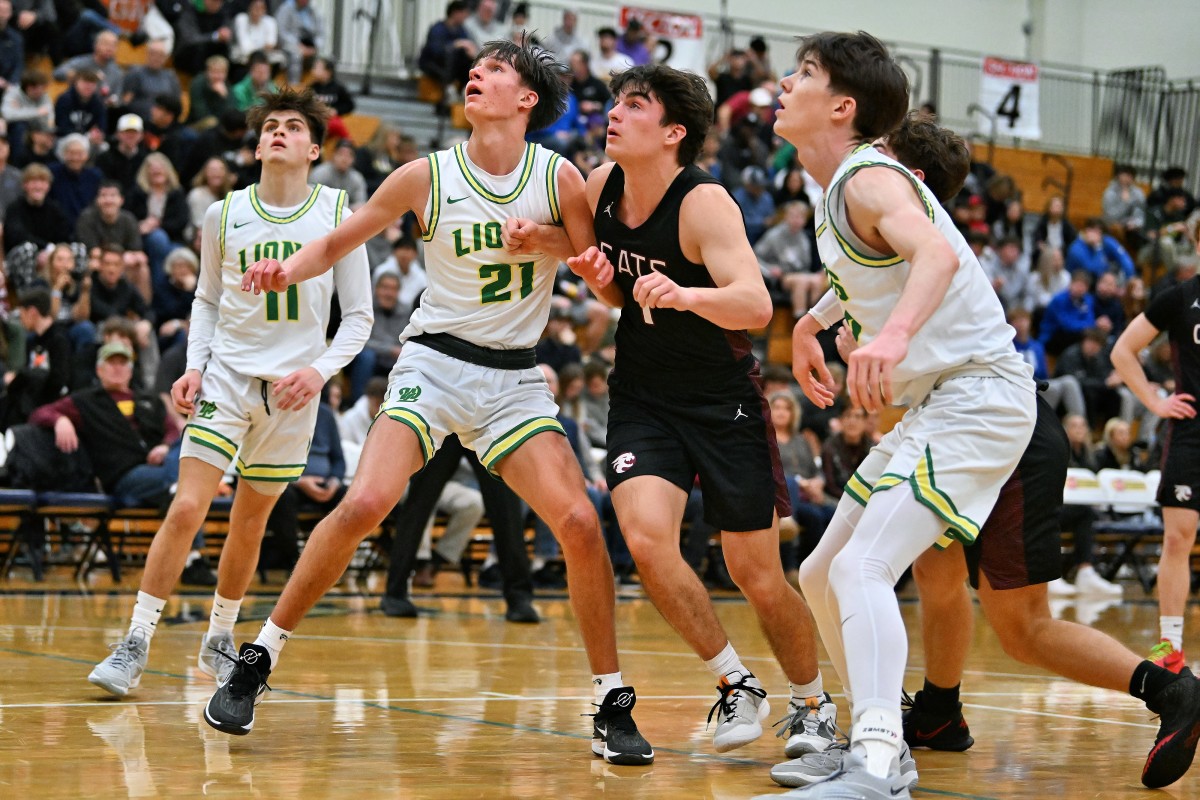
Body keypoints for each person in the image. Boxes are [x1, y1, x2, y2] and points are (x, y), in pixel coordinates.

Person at [216, 40, 654, 766]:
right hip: (435, 363)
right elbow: (335, 243)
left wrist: (554, 244)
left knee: (579, 520)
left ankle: (610, 699)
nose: (476, 74)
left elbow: (604, 287)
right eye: (475, 68)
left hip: (514, 377)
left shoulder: (560, 177)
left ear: (527, 102)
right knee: (364, 504)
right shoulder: (427, 175)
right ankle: (258, 658)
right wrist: (283, 268)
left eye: (497, 70)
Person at [768, 91, 1200, 797]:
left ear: (912, 187)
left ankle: (1163, 688)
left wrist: (847, 332)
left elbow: (905, 268)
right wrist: (811, 325)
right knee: (886, 570)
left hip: (1003, 423)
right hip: (952, 412)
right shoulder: (873, 230)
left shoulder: (893, 210)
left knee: (1012, 623)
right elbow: (852, 284)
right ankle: (926, 714)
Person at [506, 64, 833, 757]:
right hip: (644, 397)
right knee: (649, 541)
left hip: (723, 402)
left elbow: (755, 304)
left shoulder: (703, 203)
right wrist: (550, 247)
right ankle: (735, 683)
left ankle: (813, 705)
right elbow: (606, 276)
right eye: (616, 102)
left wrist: (686, 296)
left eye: (634, 105)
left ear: (674, 132)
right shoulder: (602, 186)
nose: (614, 113)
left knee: (755, 573)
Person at [776, 33, 1038, 798]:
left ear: (842, 106)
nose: (785, 85)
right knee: (823, 571)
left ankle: (879, 762)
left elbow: (935, 253)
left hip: (977, 395)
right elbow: (874, 263)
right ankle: (875, 736)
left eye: (804, 75)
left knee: (864, 566)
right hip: (938, 402)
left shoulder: (866, 175)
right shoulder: (831, 180)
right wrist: (811, 322)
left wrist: (887, 338)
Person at [85, 88, 372, 701]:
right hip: (229, 378)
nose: (278, 132)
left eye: (293, 127)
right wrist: (194, 367)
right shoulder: (224, 213)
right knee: (187, 507)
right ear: (258, 142)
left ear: (314, 148)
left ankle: (219, 637)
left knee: (249, 523)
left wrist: (319, 372)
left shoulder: (338, 214)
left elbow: (359, 319)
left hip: (294, 394)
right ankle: (134, 641)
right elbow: (208, 301)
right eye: (270, 125)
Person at [1112, 223, 1200, 673]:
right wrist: (1153, 401)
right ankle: (1171, 644)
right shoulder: (1180, 298)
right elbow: (1124, 351)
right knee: (1177, 538)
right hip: (1192, 434)